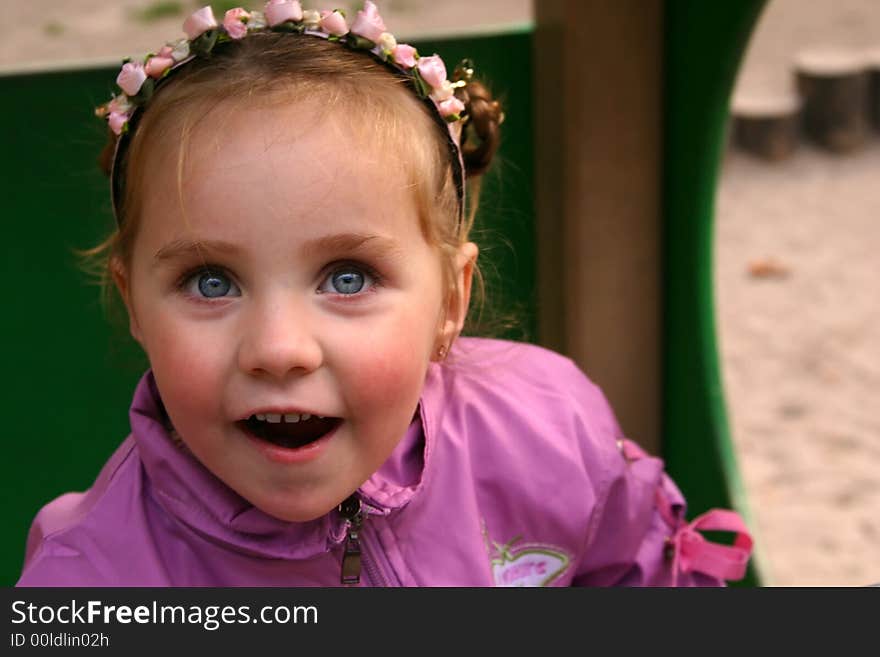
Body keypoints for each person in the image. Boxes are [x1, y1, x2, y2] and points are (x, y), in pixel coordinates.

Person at [17, 1, 751, 587]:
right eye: (211, 281)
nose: (279, 348)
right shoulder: (93, 580)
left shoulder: (550, 432)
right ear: (135, 304)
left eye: (347, 277)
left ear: (449, 301)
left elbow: (633, 570)